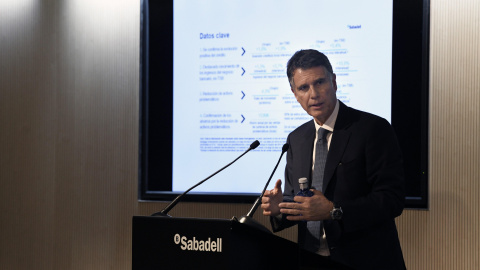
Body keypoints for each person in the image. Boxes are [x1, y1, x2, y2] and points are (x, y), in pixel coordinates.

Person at [261, 49, 406, 269]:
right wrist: (280, 207)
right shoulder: (296, 139)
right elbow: (298, 202)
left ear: (334, 82)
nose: (314, 94)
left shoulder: (372, 129)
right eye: (303, 87)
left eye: (320, 83)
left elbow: (391, 199)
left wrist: (333, 211)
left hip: (365, 261)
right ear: (294, 93)